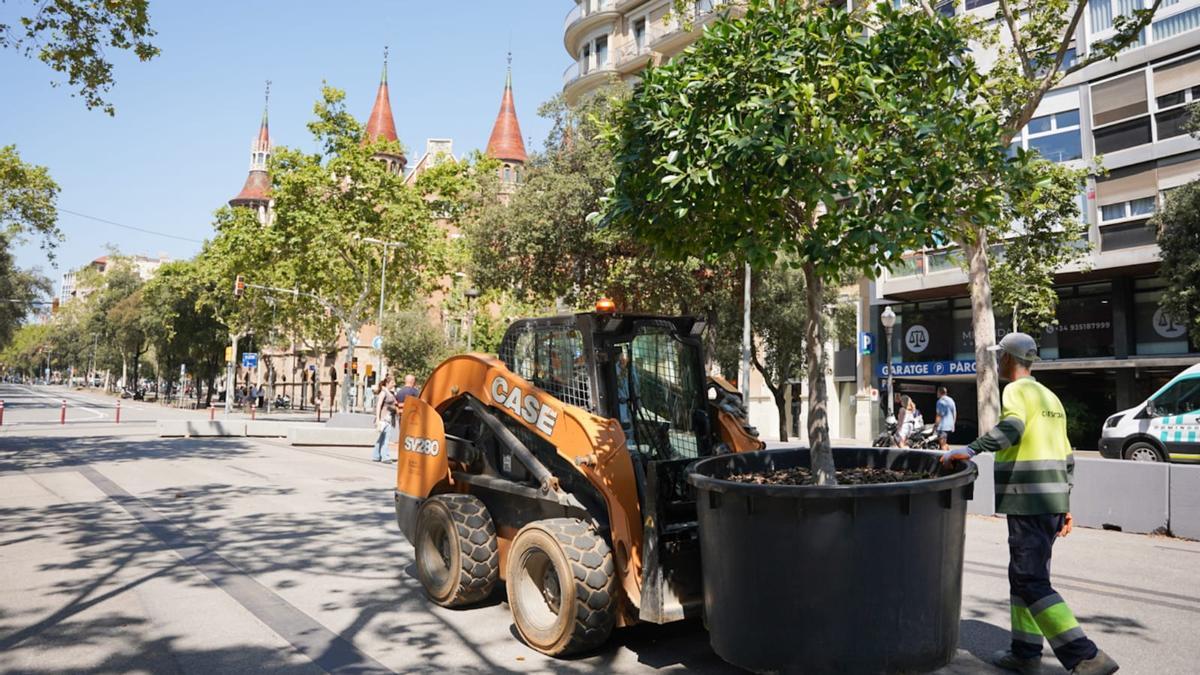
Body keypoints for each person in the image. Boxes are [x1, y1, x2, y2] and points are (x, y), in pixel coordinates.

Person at [941, 333, 1118, 675]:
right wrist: (1065, 505)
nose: (998, 362)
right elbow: (1067, 455)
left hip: (1028, 499)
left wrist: (971, 448)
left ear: (1008, 358)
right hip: (1051, 499)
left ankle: (1086, 656)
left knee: (1029, 578)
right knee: (1023, 576)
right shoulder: (1050, 397)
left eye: (1000, 357)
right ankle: (1024, 652)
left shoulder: (1016, 391)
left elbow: (1012, 428)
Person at [371, 374, 396, 463]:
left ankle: (376, 455)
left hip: (388, 418)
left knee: (382, 437)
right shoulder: (383, 392)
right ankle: (385, 457)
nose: (394, 384)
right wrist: (378, 419)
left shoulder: (390, 393)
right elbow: (378, 405)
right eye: (393, 382)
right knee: (386, 438)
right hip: (384, 419)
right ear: (388, 383)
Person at [935, 386, 956, 451]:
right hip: (949, 425)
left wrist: (936, 425)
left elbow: (939, 415)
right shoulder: (951, 400)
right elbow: (954, 413)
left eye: (937, 392)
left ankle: (945, 459)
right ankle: (951, 456)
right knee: (945, 443)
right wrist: (953, 424)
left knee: (942, 445)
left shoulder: (940, 401)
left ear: (939, 392)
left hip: (942, 426)